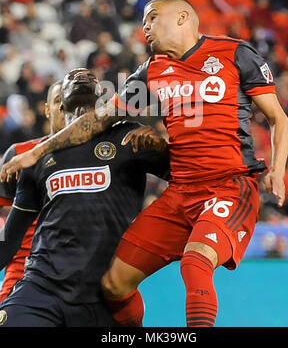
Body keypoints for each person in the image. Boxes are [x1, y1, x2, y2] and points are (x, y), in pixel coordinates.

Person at [0, 0, 288, 327]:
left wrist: (278, 170)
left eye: (152, 18)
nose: (145, 27)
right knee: (114, 285)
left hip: (228, 186)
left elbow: (279, 120)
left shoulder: (236, 54)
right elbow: (98, 120)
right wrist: (39, 151)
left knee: (195, 262)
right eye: (143, 21)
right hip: (179, 194)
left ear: (183, 18)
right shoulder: (152, 71)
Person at [0, 68, 169, 327]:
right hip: (42, 288)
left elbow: (188, 176)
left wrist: (165, 150)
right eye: (71, 77)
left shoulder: (129, 137)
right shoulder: (35, 158)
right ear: (57, 102)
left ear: (102, 95)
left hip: (102, 295)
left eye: (90, 76)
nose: (81, 75)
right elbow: (9, 240)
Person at [0, 80, 64, 302]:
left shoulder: (105, 155)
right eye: (58, 101)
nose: (66, 108)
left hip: (85, 273)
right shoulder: (19, 154)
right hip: (24, 271)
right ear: (46, 110)